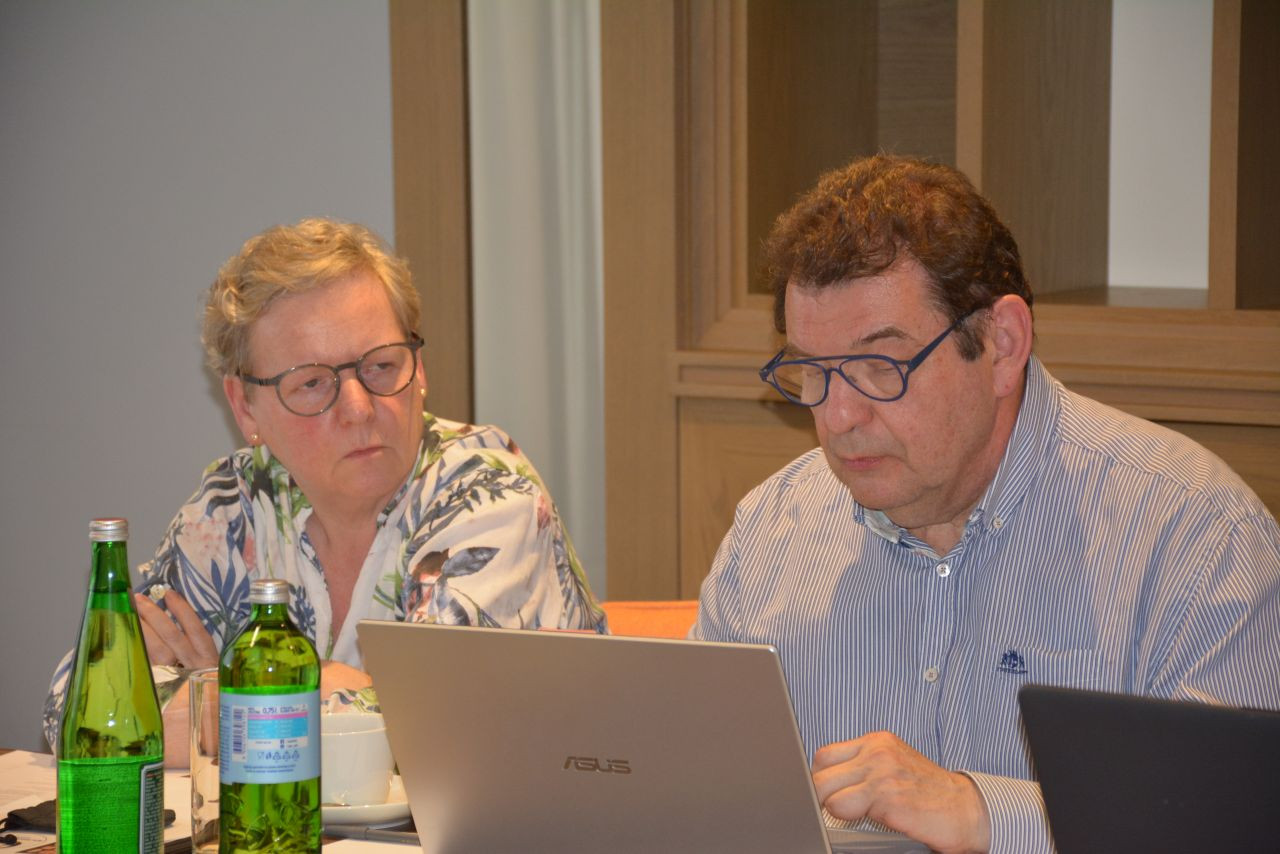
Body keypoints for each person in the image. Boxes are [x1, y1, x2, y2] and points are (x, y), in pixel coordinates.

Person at [690, 155, 1280, 853]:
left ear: (1002, 345)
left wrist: (984, 814)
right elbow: (695, 797)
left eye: (880, 366)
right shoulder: (771, 534)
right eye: (812, 372)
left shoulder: (1196, 537)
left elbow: (1235, 826)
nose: (838, 417)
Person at [46, 217, 606, 764]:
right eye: (313, 383)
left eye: (381, 366)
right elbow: (78, 705)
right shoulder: (234, 504)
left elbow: (429, 730)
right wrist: (297, 699)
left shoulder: (487, 492)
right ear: (245, 407)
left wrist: (217, 697)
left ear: (419, 368)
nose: (359, 408)